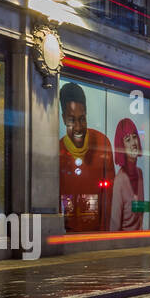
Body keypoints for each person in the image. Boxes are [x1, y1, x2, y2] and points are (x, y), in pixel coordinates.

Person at [59, 82, 113, 232]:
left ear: (87, 114)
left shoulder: (103, 143)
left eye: (82, 119)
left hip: (97, 232)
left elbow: (108, 197)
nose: (77, 127)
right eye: (71, 120)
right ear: (63, 119)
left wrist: (105, 233)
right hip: (68, 231)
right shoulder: (57, 152)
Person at [110, 118, 147, 231]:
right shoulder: (119, 181)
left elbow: (140, 211)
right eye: (127, 139)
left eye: (134, 137)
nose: (133, 143)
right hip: (124, 244)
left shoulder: (139, 174)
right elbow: (114, 225)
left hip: (139, 242)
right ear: (121, 146)